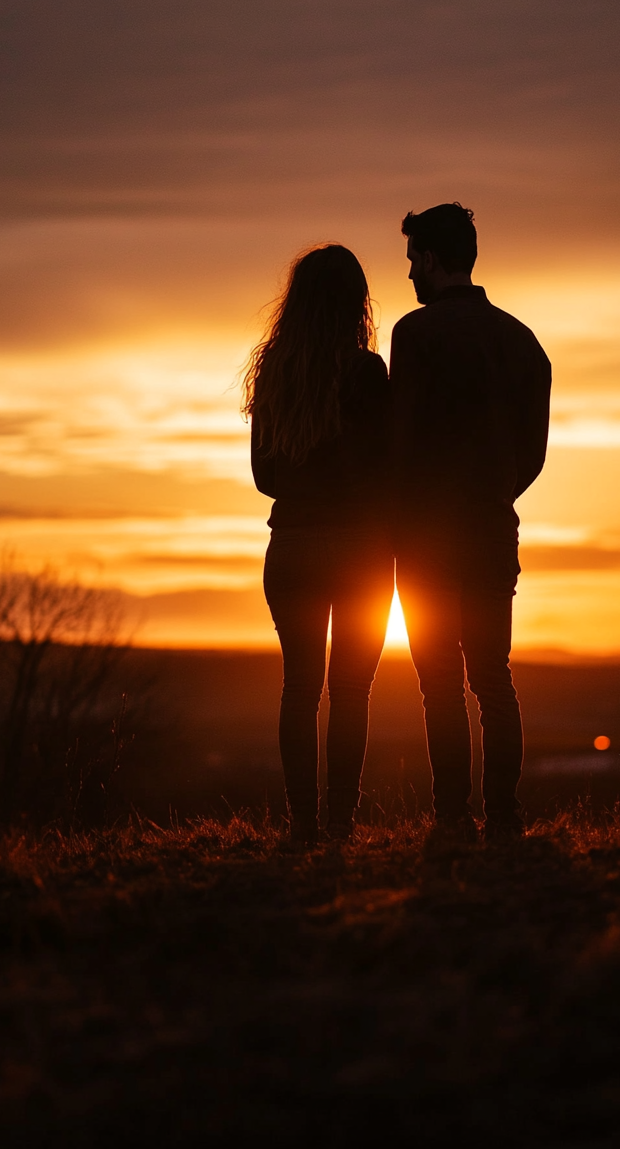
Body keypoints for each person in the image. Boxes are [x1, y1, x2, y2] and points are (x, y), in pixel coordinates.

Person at [390, 203, 552, 842]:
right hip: (491, 529)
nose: (408, 274)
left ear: (430, 258)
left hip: (426, 539)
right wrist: (490, 493)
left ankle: (453, 817)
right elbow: (532, 455)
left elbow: (397, 446)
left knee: (439, 684)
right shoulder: (521, 341)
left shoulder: (414, 335)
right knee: (493, 677)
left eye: (411, 260)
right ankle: (505, 817)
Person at [243, 244, 393, 845]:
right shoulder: (367, 372)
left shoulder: (276, 369)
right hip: (360, 548)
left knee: (299, 686)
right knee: (351, 690)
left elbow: (264, 478)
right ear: (356, 302)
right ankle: (338, 822)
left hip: (295, 545)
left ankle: (301, 821)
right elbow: (385, 469)